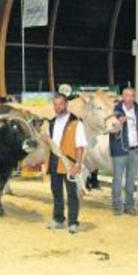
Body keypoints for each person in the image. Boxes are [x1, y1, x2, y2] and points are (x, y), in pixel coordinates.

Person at [44, 93, 87, 234]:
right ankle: (58, 219)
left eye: (60, 104)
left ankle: (73, 222)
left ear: (66, 104)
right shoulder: (51, 123)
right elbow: (50, 145)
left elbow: (80, 145)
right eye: (55, 105)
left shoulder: (76, 123)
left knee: (72, 193)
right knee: (56, 192)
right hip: (55, 160)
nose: (57, 107)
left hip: (70, 162)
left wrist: (78, 164)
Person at [109, 87, 138, 216]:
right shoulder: (114, 111)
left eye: (132, 96)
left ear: (134, 97)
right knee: (118, 179)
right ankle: (117, 206)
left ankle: (130, 206)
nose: (129, 98)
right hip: (119, 149)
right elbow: (108, 128)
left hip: (134, 150)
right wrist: (117, 123)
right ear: (122, 97)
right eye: (127, 96)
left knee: (131, 180)